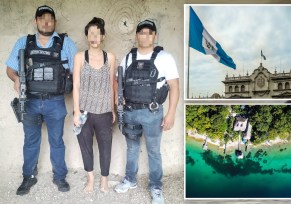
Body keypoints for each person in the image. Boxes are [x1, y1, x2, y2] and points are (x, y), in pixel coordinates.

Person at [5, 5, 77, 195]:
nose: (46, 22)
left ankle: (60, 177)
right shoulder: (24, 42)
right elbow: (10, 69)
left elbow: (77, 71)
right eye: (42, 18)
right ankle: (28, 177)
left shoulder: (66, 43)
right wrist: (17, 78)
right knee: (30, 141)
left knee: (57, 140)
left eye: (50, 19)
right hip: (30, 102)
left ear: (54, 22)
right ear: (35, 21)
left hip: (55, 101)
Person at [114, 20, 179, 204]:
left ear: (155, 36)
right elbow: (117, 82)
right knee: (132, 148)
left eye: (149, 33)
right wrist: (119, 101)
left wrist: (171, 114)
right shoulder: (128, 58)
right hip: (130, 112)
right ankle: (130, 180)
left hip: (152, 113)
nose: (145, 36)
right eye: (142, 32)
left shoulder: (165, 57)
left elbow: (174, 87)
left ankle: (156, 187)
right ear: (137, 36)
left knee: (153, 151)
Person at [73, 17, 116, 193]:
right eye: (90, 33)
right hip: (84, 111)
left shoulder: (110, 57)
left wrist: (112, 109)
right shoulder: (79, 57)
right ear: (86, 36)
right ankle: (90, 179)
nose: (94, 37)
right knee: (85, 146)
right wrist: (76, 111)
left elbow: (111, 83)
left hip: (104, 111)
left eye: (97, 33)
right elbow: (76, 84)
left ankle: (104, 180)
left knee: (106, 147)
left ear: (103, 36)